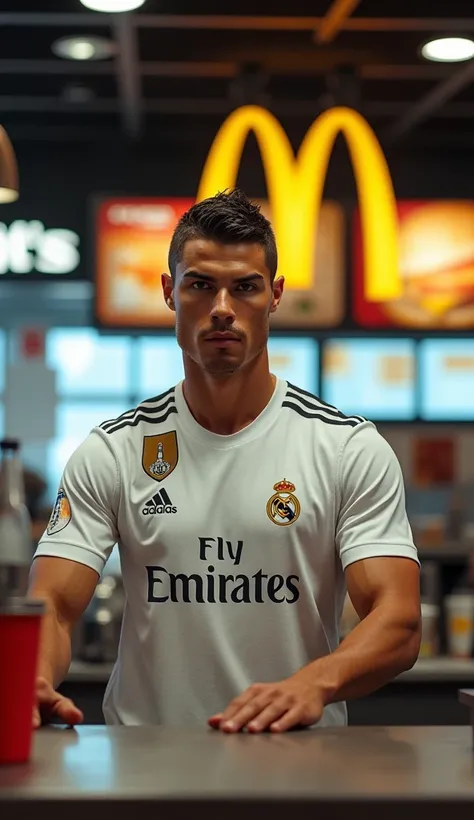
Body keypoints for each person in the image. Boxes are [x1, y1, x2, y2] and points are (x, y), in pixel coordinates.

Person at [28, 189, 421, 733]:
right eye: (200, 285)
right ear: (170, 291)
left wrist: (316, 682)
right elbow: (53, 603)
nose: (221, 308)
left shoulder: (346, 448)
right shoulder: (113, 450)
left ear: (275, 295)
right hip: (145, 768)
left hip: (298, 763)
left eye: (245, 288)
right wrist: (33, 679)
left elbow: (398, 620)